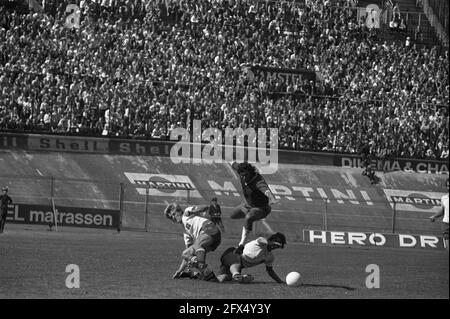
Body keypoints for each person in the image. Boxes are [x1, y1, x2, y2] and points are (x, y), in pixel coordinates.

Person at [164, 203, 222, 281]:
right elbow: (187, 256)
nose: (173, 217)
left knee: (197, 244)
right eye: (171, 217)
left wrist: (193, 212)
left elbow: (205, 206)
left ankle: (204, 268)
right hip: (212, 242)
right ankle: (208, 274)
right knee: (185, 254)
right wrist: (179, 271)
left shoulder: (187, 212)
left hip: (209, 228)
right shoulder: (185, 232)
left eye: (174, 214)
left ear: (179, 211)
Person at [230, 162, 279, 253]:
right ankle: (249, 218)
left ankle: (241, 244)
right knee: (232, 215)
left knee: (249, 217)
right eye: (241, 176)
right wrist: (219, 151)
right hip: (247, 205)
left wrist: (272, 199)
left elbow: (266, 191)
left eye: (245, 175)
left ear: (250, 172)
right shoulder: (241, 170)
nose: (243, 178)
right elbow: (231, 162)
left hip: (262, 208)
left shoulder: (258, 181)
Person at [216, 232, 287, 283]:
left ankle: (231, 276)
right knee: (237, 264)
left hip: (236, 265)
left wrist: (280, 282)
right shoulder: (261, 242)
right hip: (231, 254)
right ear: (271, 240)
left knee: (223, 279)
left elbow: (270, 271)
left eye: (278, 245)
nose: (275, 246)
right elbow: (261, 239)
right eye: (275, 243)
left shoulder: (270, 257)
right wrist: (269, 242)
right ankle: (237, 275)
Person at [430, 179, 449, 251]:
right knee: (448, 247)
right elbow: (443, 211)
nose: (448, 188)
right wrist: (434, 216)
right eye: (447, 186)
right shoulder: (444, 198)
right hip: (446, 225)